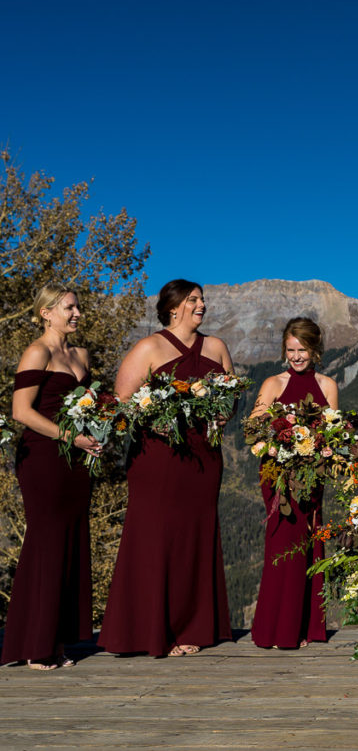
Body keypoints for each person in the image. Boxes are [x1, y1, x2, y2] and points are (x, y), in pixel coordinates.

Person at [98, 279, 235, 657]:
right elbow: (121, 403)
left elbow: (231, 398)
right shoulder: (149, 347)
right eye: (194, 300)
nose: (202, 305)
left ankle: (192, 626)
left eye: (203, 299)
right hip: (158, 458)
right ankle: (151, 629)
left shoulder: (216, 346)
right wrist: (152, 418)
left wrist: (222, 414)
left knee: (195, 535)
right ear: (173, 307)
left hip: (204, 457)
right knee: (156, 538)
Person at [2, 286, 101, 670]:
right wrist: (70, 437)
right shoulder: (37, 352)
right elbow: (21, 411)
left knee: (71, 540)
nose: (77, 313)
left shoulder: (80, 355)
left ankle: (56, 641)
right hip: (43, 457)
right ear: (46, 312)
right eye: (69, 307)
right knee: (46, 542)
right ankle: (35, 645)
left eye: (78, 306)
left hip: (77, 460)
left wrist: (96, 435)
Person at [249, 318, 338, 649]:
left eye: (302, 350)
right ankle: (274, 629)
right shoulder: (273, 383)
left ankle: (302, 627)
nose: (296, 356)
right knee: (281, 544)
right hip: (278, 475)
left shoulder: (327, 385)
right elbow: (255, 428)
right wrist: (275, 442)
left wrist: (327, 447)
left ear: (315, 350)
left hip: (311, 475)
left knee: (306, 543)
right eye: (290, 350)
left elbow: (333, 430)